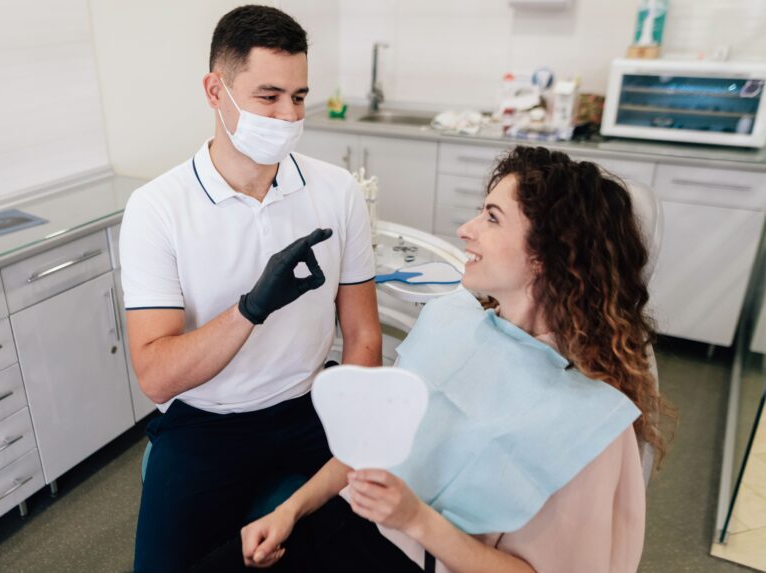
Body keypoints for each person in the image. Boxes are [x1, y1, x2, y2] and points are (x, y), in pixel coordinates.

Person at [193, 145, 674, 573]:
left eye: (491, 217)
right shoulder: (453, 322)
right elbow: (367, 448)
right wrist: (290, 512)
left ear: (545, 255)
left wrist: (414, 519)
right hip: (350, 521)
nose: (466, 230)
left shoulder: (590, 424)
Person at [119, 6, 381, 572]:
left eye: (299, 96)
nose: (288, 116)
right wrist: (251, 309)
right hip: (205, 423)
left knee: (370, 554)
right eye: (269, 97)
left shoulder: (336, 191)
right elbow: (155, 375)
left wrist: (354, 428)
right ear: (216, 91)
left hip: (309, 410)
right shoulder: (158, 210)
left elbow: (363, 333)